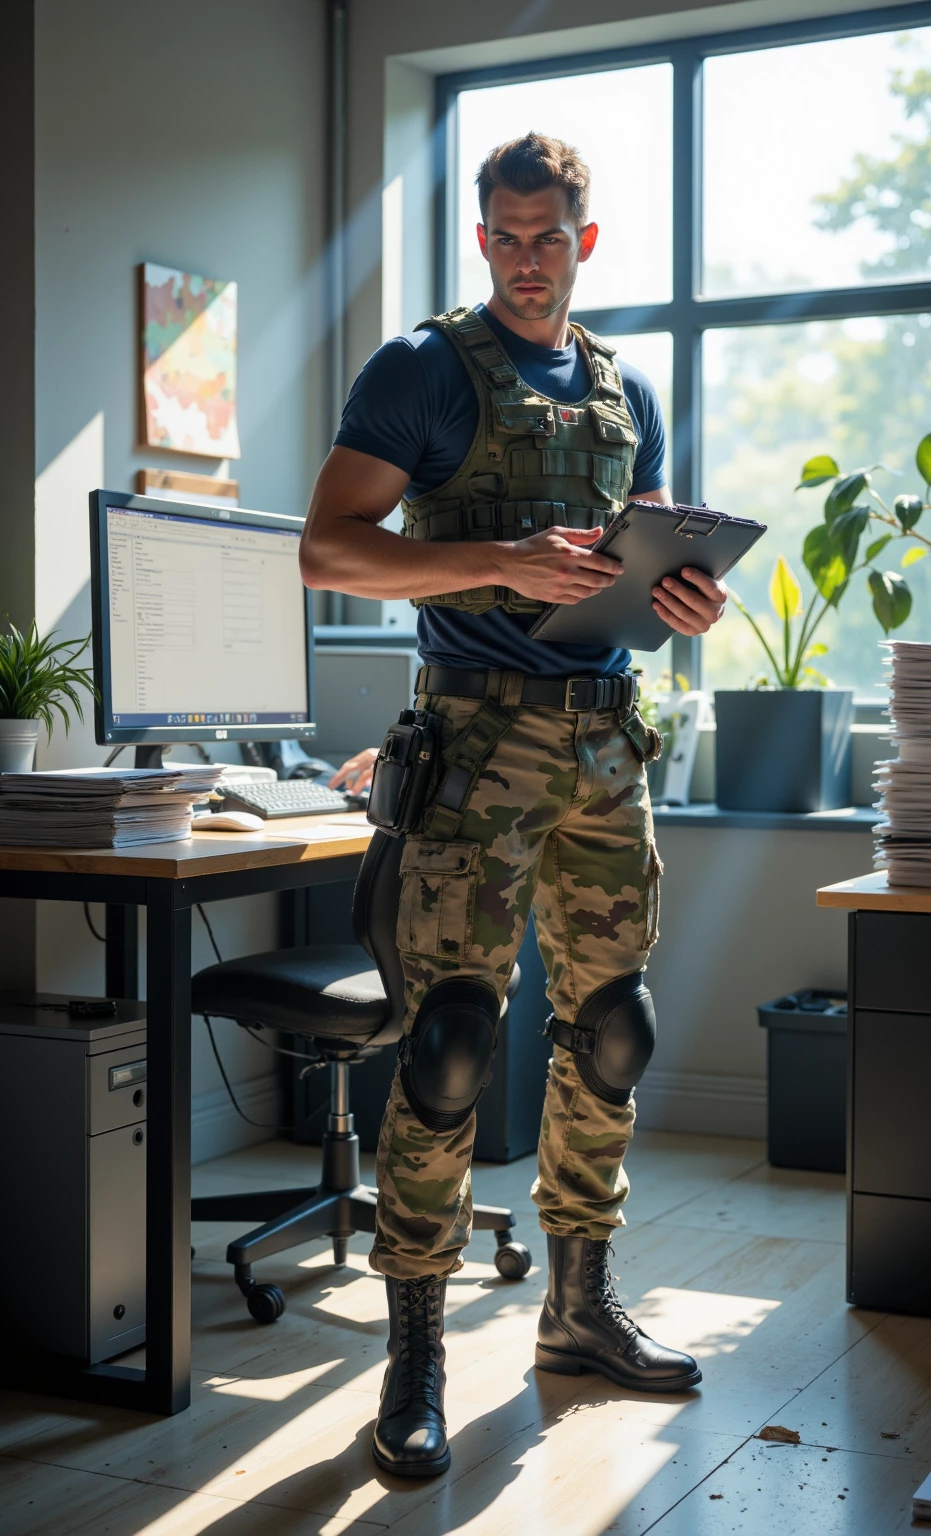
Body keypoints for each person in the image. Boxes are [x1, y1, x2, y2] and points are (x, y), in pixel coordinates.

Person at [300, 131, 728, 1479]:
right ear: (479, 237)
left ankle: (580, 1308)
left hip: (606, 746)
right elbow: (327, 546)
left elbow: (635, 558)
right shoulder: (423, 371)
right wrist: (496, 560)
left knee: (613, 1029)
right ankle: (415, 1354)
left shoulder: (625, 391)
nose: (529, 258)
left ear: (586, 242)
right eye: (506, 234)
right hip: (475, 747)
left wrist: (686, 595)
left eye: (552, 236)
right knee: (453, 1046)